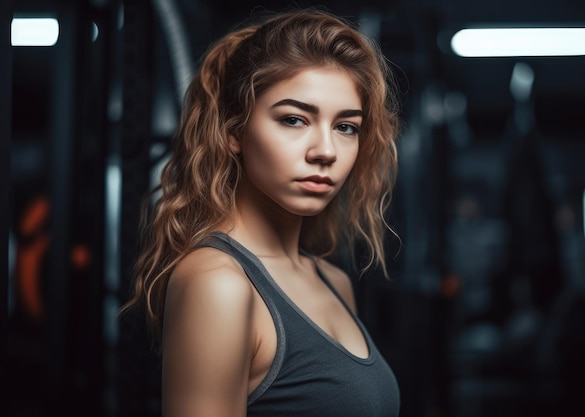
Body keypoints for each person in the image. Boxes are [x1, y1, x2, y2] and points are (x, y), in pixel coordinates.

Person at [122, 8, 402, 417]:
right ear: (234, 131)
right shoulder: (218, 283)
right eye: (294, 119)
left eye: (346, 126)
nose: (325, 151)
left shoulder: (335, 281)